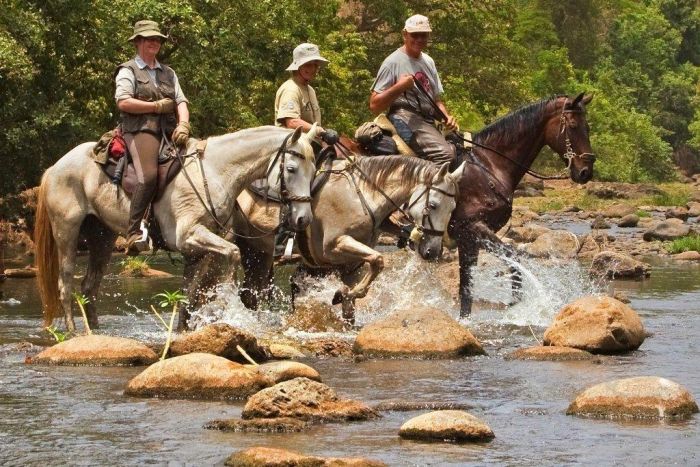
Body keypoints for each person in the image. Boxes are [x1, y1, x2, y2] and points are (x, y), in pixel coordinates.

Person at [114, 20, 190, 256]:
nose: (154, 42)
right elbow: (123, 101)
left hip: (169, 130)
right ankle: (133, 231)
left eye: (157, 39)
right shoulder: (128, 70)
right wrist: (156, 106)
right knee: (147, 176)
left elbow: (181, 101)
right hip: (140, 130)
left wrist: (184, 123)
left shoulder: (168, 72)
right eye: (148, 39)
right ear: (137, 42)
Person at [369, 14, 457, 165]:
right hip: (404, 117)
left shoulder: (429, 61)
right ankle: (426, 188)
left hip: (427, 119)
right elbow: (374, 105)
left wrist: (446, 117)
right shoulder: (392, 62)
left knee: (464, 149)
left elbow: (436, 99)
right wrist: (400, 87)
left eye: (423, 35)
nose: (419, 39)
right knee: (445, 155)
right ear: (405, 34)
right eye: (415, 35)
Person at [274, 43, 328, 133]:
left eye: (315, 65)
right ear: (298, 67)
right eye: (308, 65)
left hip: (311, 141)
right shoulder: (290, 89)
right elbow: (292, 122)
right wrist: (319, 130)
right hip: (293, 143)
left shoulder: (310, 90)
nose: (314, 69)